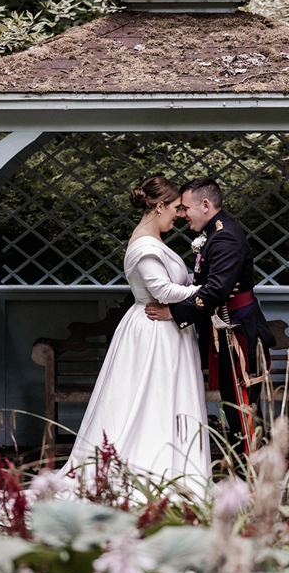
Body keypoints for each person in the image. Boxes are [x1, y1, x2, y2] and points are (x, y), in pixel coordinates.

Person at [59, 176, 211, 495]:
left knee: (167, 398)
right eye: (175, 208)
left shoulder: (153, 241)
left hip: (168, 329)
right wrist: (209, 291)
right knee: (151, 400)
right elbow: (161, 290)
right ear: (158, 207)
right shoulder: (144, 246)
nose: (179, 215)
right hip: (154, 332)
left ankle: (177, 469)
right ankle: (151, 470)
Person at [146, 177, 275, 452]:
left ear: (205, 205)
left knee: (242, 408)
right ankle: (247, 476)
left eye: (185, 208)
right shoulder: (217, 231)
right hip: (226, 328)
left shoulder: (225, 235)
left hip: (238, 330)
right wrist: (209, 289)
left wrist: (173, 312)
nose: (182, 215)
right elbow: (212, 287)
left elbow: (215, 292)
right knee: (235, 405)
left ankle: (252, 480)